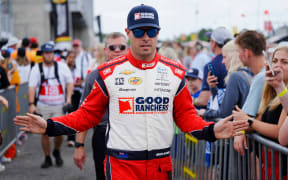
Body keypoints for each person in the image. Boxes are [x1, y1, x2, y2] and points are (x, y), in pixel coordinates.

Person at [14, 4, 248, 179]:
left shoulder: (176, 71)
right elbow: (87, 115)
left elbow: (186, 117)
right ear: (128, 32)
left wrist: (211, 130)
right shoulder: (107, 72)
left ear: (158, 32)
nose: (145, 37)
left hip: (160, 165)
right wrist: (50, 126)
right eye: (139, 32)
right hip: (121, 165)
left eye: (151, 31)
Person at [73, 32, 128, 180]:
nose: (117, 50)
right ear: (105, 50)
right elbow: (84, 113)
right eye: (112, 47)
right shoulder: (95, 76)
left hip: (131, 134)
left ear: (127, 50)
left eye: (122, 47)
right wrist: (79, 145)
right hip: (103, 136)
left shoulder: (140, 74)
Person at [233, 45, 288, 179]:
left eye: (284, 62)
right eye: (274, 61)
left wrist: (248, 121)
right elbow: (259, 120)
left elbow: (278, 132)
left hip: (281, 166)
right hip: (267, 163)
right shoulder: (270, 89)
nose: (278, 65)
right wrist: (241, 129)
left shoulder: (284, 95)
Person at [27, 42, 74, 168]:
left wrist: (68, 99)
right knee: (45, 133)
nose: (49, 55)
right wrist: (32, 104)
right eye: (46, 53)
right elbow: (31, 87)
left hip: (59, 105)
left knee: (59, 132)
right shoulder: (37, 68)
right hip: (43, 105)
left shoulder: (62, 67)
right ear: (42, 54)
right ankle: (47, 157)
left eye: (51, 53)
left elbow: (70, 83)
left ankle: (56, 150)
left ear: (54, 54)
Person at [198, 40, 252, 120]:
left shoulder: (235, 76)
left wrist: (205, 113)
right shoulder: (246, 74)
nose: (222, 62)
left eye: (224, 57)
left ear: (233, 57)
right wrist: (213, 88)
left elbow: (225, 113)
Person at [232, 30, 267, 155]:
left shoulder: (261, 78)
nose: (238, 55)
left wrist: (239, 131)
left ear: (246, 53)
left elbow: (245, 119)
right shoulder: (265, 74)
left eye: (239, 52)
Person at [194, 27, 233, 108]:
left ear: (214, 43)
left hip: (218, 115)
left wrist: (193, 101)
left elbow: (204, 100)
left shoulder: (210, 66)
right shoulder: (237, 62)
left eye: (210, 41)